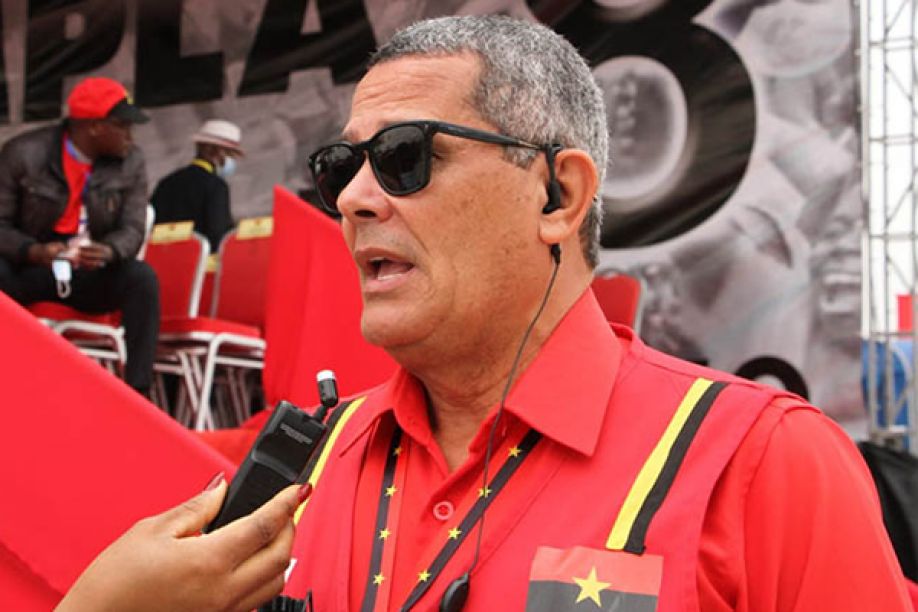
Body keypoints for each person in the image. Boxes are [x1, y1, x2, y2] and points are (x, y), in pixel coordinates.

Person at [56, 15, 911, 611]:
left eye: (404, 157)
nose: (352, 198)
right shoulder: (300, 466)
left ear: (557, 195)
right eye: (340, 167)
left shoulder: (763, 467)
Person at [0, 76, 159, 397]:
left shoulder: (131, 161)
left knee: (142, 278)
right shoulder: (23, 153)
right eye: (122, 126)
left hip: (90, 272)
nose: (130, 136)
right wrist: (34, 251)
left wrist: (108, 251)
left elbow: (132, 228)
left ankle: (138, 393)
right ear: (95, 127)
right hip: (33, 267)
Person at [150, 119, 242, 252]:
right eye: (229, 153)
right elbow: (218, 234)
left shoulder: (167, 182)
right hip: (201, 260)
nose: (231, 160)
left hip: (162, 257)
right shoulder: (216, 187)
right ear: (212, 150)